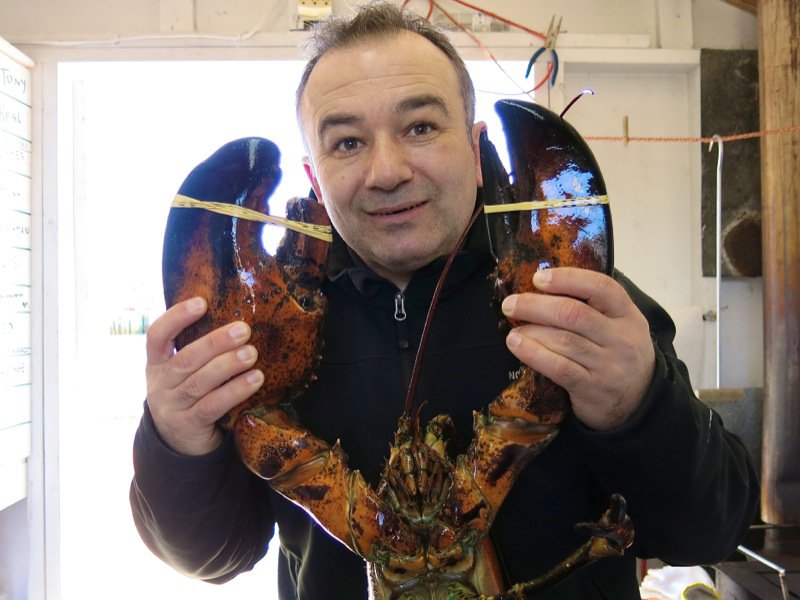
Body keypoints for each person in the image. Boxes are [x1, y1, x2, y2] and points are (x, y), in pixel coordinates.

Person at [130, 3, 759, 598]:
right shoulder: (261, 331)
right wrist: (176, 443)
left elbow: (708, 532)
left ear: (477, 149)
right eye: (347, 142)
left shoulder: (581, 304)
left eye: (421, 127)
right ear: (314, 175)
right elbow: (212, 557)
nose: (387, 171)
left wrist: (639, 407)